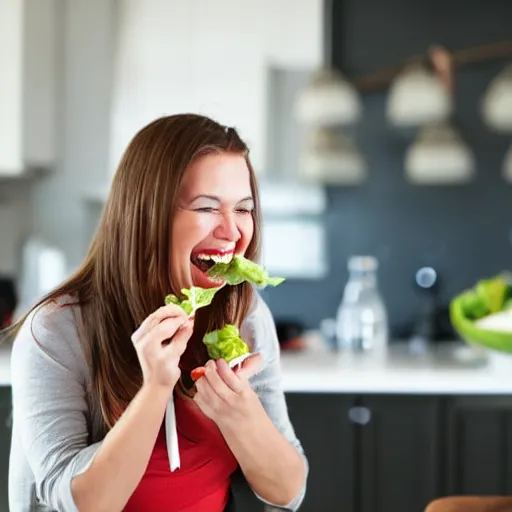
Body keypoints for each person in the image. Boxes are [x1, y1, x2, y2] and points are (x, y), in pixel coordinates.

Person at [7, 114, 308, 512]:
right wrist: (155, 388)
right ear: (148, 214)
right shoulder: (56, 329)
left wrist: (239, 413)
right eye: (207, 207)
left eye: (244, 209)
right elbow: (80, 502)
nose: (233, 231)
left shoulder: (243, 312)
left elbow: (288, 491)